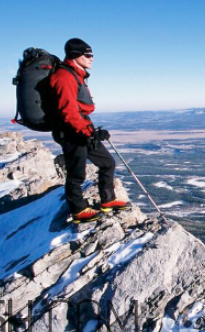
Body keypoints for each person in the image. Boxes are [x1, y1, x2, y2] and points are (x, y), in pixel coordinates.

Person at [50, 38, 130, 223]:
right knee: (76, 172)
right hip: (71, 132)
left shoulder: (76, 75)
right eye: (88, 55)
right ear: (75, 55)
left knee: (107, 162)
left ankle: (108, 200)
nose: (92, 58)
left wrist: (92, 131)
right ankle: (78, 210)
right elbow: (68, 112)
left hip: (83, 127)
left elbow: (77, 110)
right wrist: (88, 133)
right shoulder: (64, 77)